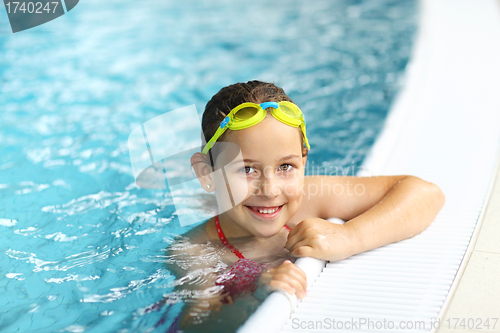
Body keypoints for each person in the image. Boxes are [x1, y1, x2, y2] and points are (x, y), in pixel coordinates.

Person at [162, 80, 445, 331]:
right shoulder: (194, 251)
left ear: (303, 161)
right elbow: (196, 325)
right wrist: (254, 298)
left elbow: (425, 193)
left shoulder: (310, 196)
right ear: (206, 173)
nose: (271, 190)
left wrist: (350, 237)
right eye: (247, 170)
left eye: (286, 166)